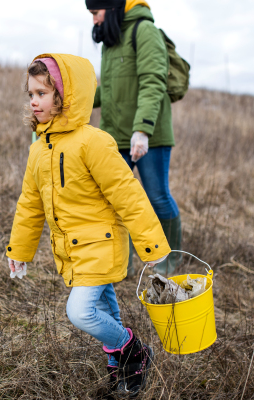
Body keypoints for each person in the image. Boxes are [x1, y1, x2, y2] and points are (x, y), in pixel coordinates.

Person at [5, 54, 170, 397]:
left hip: (101, 245)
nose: (34, 101)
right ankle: (125, 365)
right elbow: (30, 205)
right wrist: (19, 250)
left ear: (65, 97)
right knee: (105, 306)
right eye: (31, 93)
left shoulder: (93, 141)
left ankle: (133, 349)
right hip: (73, 249)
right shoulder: (39, 149)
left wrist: (151, 244)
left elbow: (128, 194)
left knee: (80, 312)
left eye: (42, 93)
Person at [88, 0, 182, 276]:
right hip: (115, 136)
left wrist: (142, 130)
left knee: (157, 197)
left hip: (149, 135)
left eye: (95, 12)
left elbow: (153, 81)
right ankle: (121, 263)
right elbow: (106, 91)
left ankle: (168, 260)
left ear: (112, 6)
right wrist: (66, 102)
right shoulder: (111, 39)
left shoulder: (145, 31)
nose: (94, 20)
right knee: (113, 200)